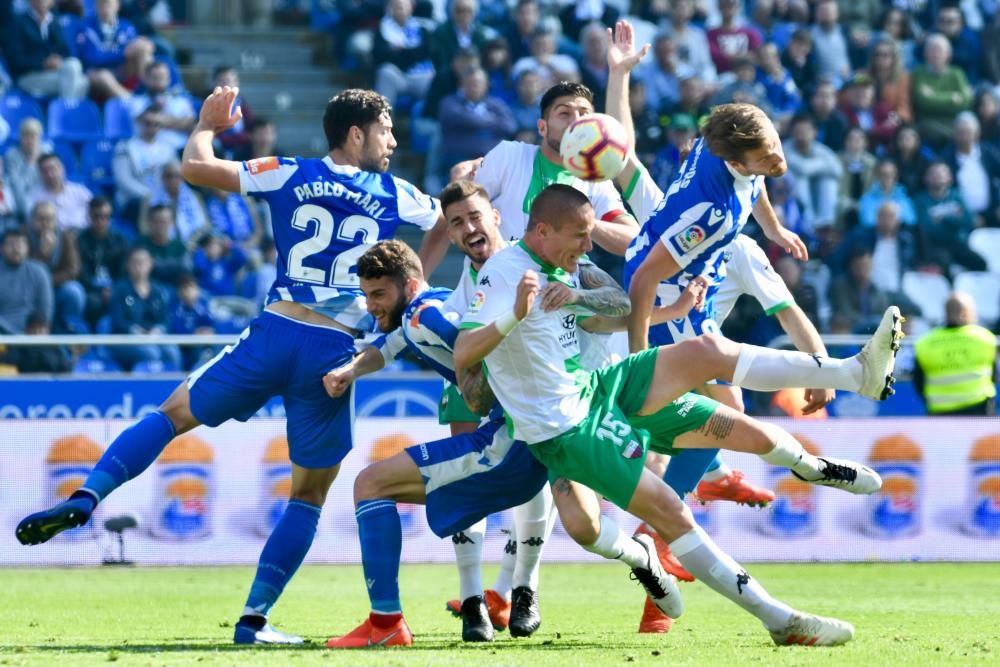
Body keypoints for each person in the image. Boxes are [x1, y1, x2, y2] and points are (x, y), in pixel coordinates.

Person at [16, 86, 444, 646]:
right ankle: (253, 620)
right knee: (308, 495)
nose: (393, 141)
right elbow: (446, 221)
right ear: (356, 133)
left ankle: (85, 497)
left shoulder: (287, 170)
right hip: (334, 352)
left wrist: (205, 122)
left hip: (274, 332)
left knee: (170, 416)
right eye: (385, 131)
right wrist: (414, 288)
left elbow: (197, 166)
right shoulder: (396, 192)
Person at [452, 184, 899, 648]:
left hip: (602, 386)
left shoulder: (559, 268)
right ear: (543, 230)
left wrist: (611, 303)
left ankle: (841, 404)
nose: (589, 245)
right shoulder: (503, 276)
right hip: (569, 428)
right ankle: (779, 619)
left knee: (708, 356)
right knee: (667, 510)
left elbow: (610, 314)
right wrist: (515, 316)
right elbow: (465, 351)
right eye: (581, 236)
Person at [914, 292, 997, 416]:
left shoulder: (925, 343)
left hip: (940, 413)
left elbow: (919, 382)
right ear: (965, 312)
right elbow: (993, 375)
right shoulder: (985, 339)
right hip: (979, 411)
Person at [108, 246, 181, 371]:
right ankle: (148, 389)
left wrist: (158, 330)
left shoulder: (158, 290)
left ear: (150, 264)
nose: (139, 266)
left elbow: (165, 319)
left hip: (154, 337)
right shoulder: (120, 289)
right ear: (128, 265)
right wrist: (136, 331)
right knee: (150, 352)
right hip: (126, 341)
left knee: (172, 351)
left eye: (143, 262)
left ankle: (176, 388)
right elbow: (117, 320)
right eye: (135, 262)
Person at [6, 0, 90, 100]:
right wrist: (43, 63)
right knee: (78, 81)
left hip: (55, 72)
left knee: (77, 72)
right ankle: (66, 112)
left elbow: (66, 51)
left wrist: (58, 60)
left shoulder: (54, 21)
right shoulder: (18, 22)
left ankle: (64, 110)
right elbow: (15, 60)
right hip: (28, 75)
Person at [0, 228, 52, 335]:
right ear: (1, 248)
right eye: (11, 244)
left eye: (21, 243)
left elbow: (45, 311)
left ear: (28, 247)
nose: (16, 249)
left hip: (32, 334)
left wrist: (38, 326)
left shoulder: (39, 271)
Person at [27, 154, 93, 232]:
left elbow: (95, 215)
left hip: (82, 236)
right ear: (40, 174)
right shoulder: (34, 196)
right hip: (52, 238)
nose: (50, 174)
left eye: (53, 169)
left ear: (62, 169)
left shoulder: (81, 192)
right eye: (45, 171)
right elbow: (32, 223)